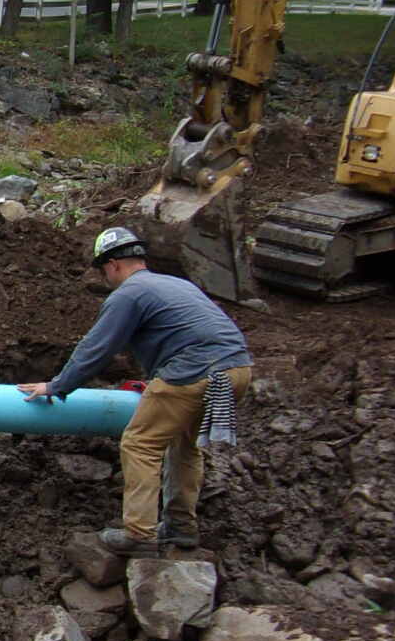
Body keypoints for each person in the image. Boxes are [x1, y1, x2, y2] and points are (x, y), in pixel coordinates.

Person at [17, 227, 253, 557]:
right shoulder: (176, 284)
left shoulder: (129, 294)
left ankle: (140, 536)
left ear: (113, 265)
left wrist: (57, 386)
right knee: (184, 445)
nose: (105, 277)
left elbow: (96, 348)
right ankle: (181, 528)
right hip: (237, 370)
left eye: (103, 270)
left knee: (140, 442)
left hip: (194, 370)